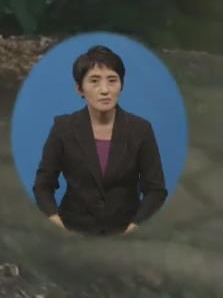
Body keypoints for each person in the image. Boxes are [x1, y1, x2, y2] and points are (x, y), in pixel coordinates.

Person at [33, 45, 168, 236]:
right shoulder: (63, 128)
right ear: (80, 88)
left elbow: (156, 190)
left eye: (112, 80)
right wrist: (57, 224)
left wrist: (134, 227)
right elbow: (42, 186)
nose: (104, 90)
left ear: (122, 84)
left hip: (126, 231)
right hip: (73, 229)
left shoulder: (141, 130)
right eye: (94, 81)